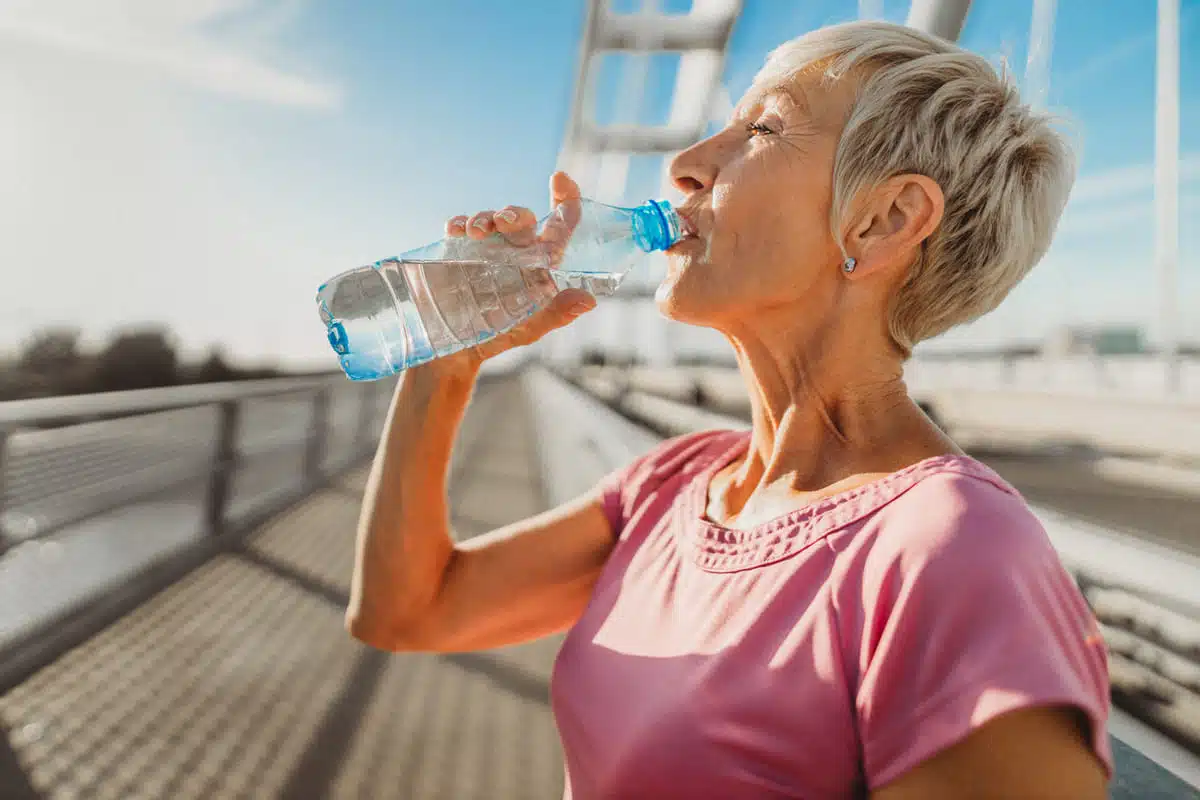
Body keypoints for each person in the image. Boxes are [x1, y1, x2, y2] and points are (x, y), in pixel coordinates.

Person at [347, 20, 1111, 799]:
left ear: (883, 221)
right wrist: (446, 364)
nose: (683, 165)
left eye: (764, 128)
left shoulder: (954, 555)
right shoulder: (678, 482)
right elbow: (406, 612)